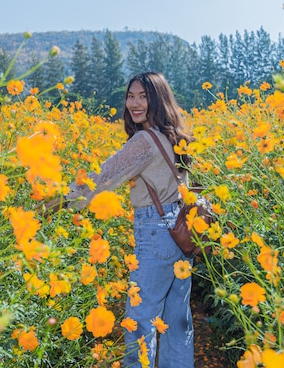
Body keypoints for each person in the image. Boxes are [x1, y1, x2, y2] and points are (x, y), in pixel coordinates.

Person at [61, 72, 195, 367]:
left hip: (156, 232)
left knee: (139, 320)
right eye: (130, 96)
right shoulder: (175, 136)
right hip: (182, 232)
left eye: (143, 96)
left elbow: (103, 177)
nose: (134, 104)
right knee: (177, 321)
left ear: (157, 99)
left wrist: (60, 199)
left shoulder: (145, 140)